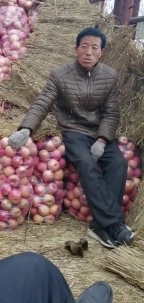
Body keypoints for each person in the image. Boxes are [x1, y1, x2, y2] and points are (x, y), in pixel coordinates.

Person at [8, 27, 134, 249]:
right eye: (84, 46)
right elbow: (43, 102)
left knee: (118, 163)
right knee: (86, 164)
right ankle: (115, 225)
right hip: (73, 130)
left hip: (99, 133)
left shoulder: (109, 76)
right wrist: (26, 128)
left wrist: (103, 140)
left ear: (102, 52)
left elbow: (112, 113)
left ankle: (99, 226)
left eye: (94, 48)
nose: (88, 52)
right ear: (75, 49)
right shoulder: (60, 75)